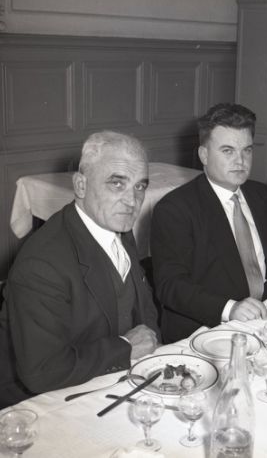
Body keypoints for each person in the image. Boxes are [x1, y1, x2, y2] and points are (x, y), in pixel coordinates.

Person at [0, 131, 160, 408]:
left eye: (139, 186)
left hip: (110, 381)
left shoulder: (115, 226)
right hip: (42, 402)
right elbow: (43, 371)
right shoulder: (42, 263)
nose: (132, 201)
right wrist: (126, 347)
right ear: (81, 186)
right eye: (117, 184)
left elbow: (143, 308)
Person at [151, 103, 267, 343]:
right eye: (228, 151)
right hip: (206, 329)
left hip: (265, 316)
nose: (240, 161)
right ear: (204, 155)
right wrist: (229, 308)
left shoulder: (260, 194)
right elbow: (171, 285)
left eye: (247, 150)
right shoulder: (175, 209)